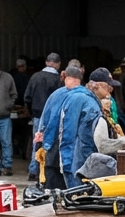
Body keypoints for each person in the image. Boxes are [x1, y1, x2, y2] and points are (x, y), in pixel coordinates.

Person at [48, 71, 102, 187]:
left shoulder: (88, 99)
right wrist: (67, 162)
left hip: (83, 159)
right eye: (108, 86)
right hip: (76, 161)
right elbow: (66, 130)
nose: (111, 89)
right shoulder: (78, 98)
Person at [37, 63, 83, 189]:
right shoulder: (84, 96)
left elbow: (44, 120)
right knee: (72, 192)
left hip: (54, 145)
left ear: (64, 76)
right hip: (74, 148)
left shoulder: (55, 95)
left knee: (52, 191)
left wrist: (41, 135)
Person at [22, 52, 61, 182]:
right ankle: (47, 172)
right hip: (53, 118)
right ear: (58, 64)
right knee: (51, 144)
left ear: (46, 62)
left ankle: (33, 171)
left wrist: (32, 111)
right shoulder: (57, 80)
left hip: (37, 116)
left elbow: (27, 97)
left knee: (36, 143)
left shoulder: (35, 77)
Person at [86, 67, 125, 157]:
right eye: (108, 85)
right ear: (96, 86)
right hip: (89, 161)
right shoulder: (92, 108)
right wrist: (124, 142)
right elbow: (102, 146)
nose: (111, 88)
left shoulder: (92, 103)